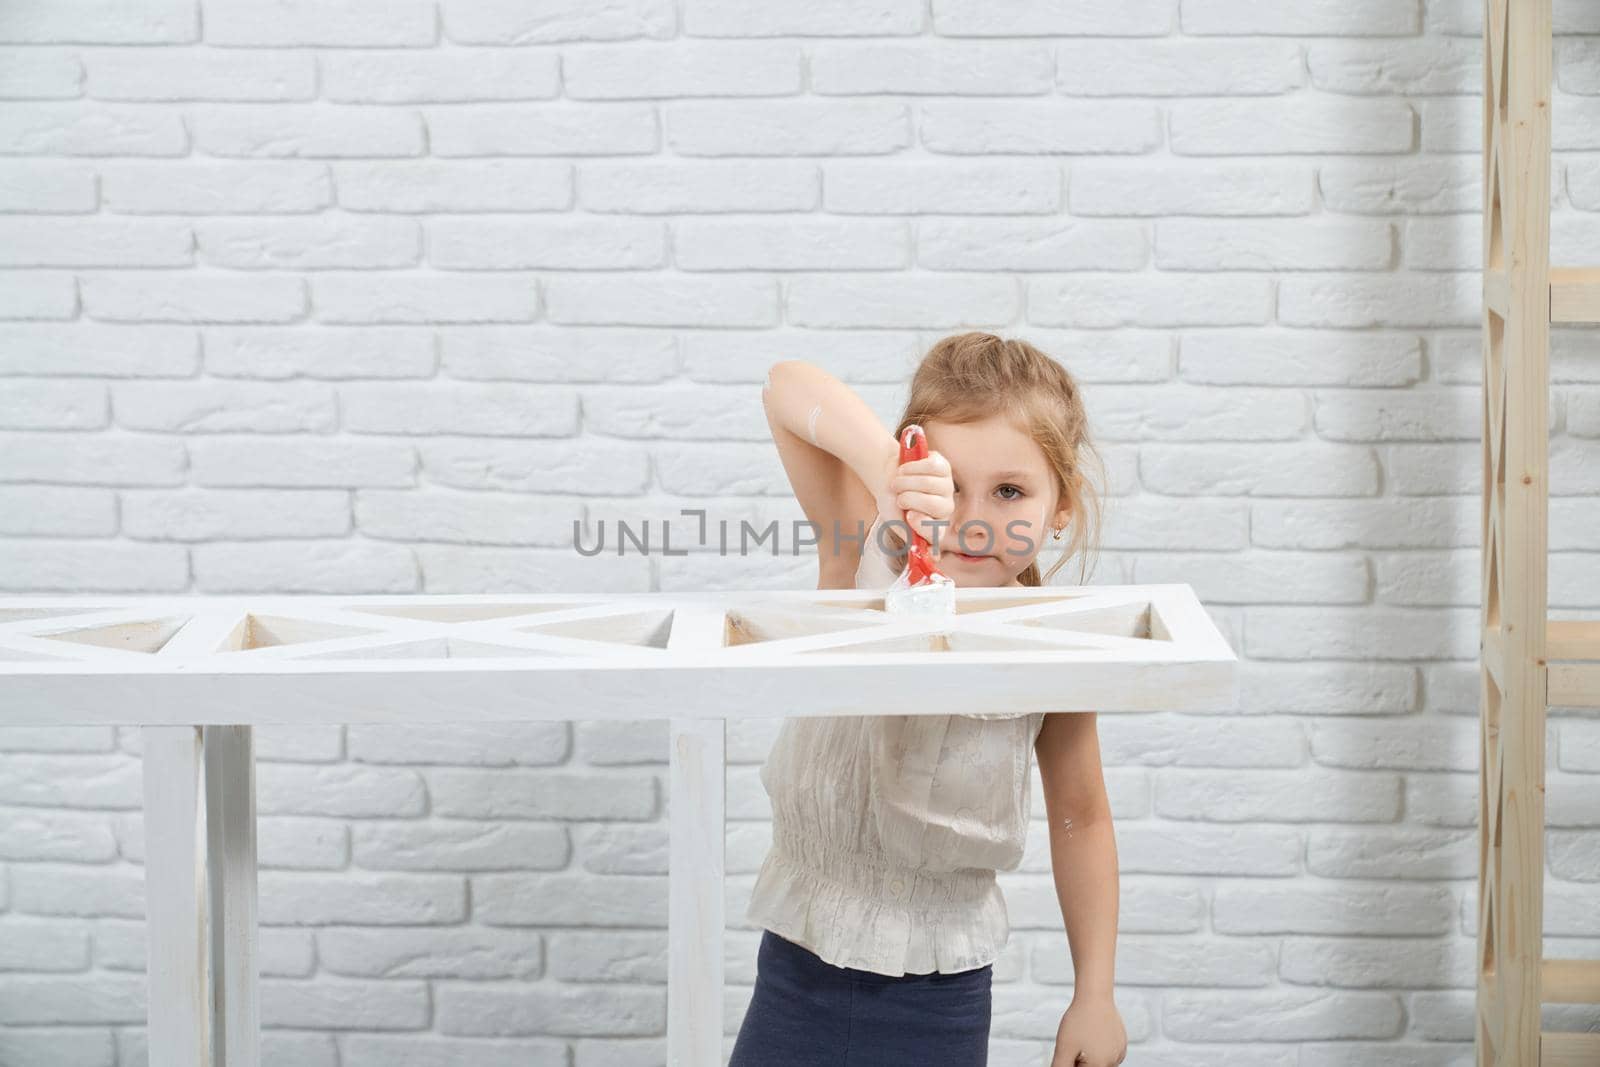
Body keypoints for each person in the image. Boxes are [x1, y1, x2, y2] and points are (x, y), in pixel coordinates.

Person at [729, 333, 1128, 1067]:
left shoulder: (1051, 643)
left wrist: (1093, 993)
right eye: (947, 483)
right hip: (797, 967)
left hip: (939, 991)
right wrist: (888, 472)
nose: (970, 517)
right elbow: (785, 385)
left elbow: (1081, 812)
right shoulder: (859, 552)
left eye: (1009, 491)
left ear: (1061, 505)